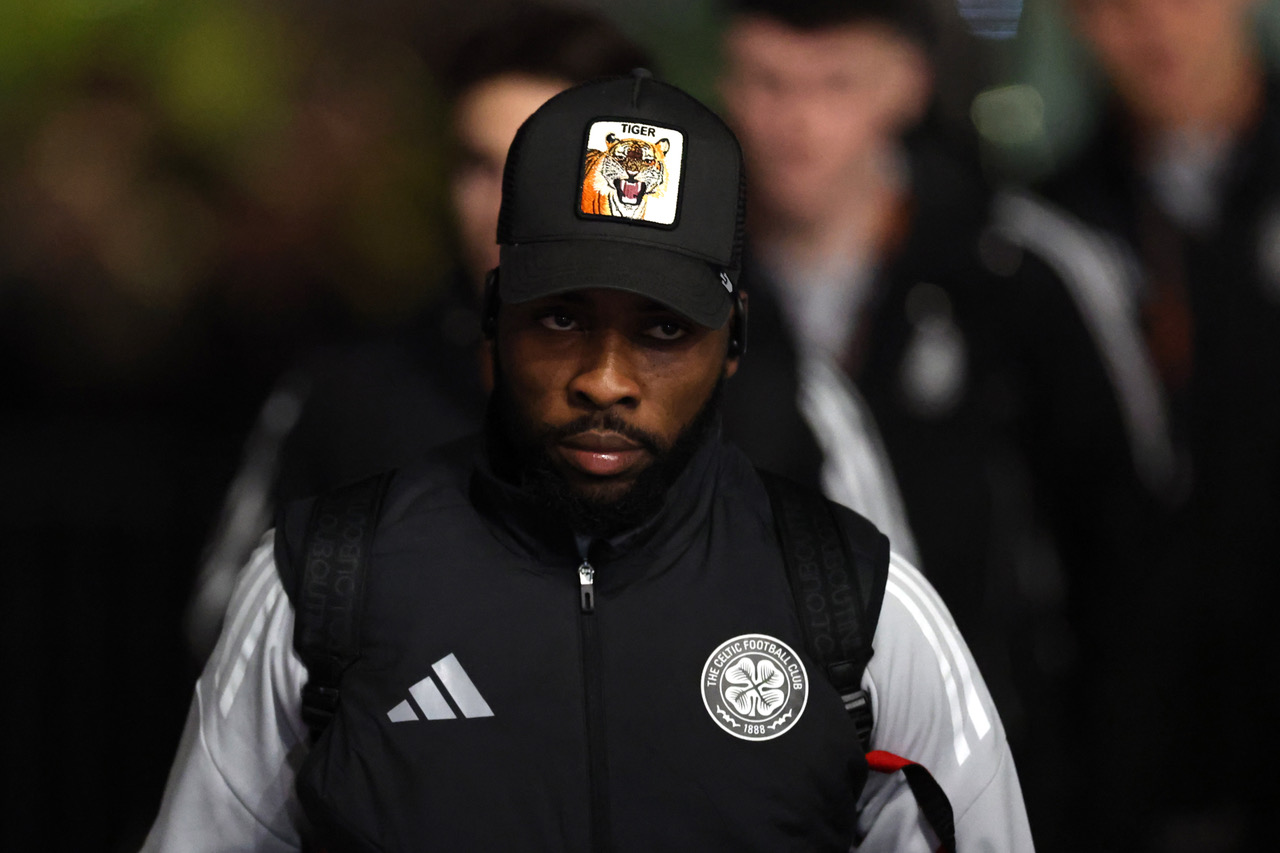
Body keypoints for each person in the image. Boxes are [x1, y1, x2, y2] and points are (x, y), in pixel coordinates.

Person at [143, 70, 1033, 852]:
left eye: (662, 329)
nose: (605, 380)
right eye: (563, 317)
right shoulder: (328, 583)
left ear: (736, 342)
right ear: (496, 317)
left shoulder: (859, 607)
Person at [184, 5, 652, 658]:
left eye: (544, 168)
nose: (503, 205)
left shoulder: (745, 389)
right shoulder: (348, 395)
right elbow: (234, 642)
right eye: (479, 166)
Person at [990, 0, 1280, 847]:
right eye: (1116, 6)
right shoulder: (1035, 239)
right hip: (1122, 765)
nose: (1157, 26)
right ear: (1079, 24)